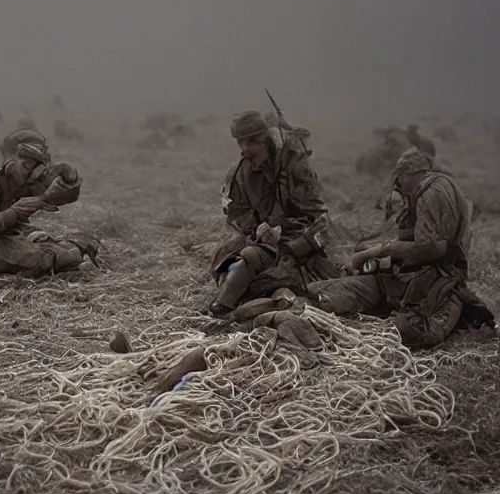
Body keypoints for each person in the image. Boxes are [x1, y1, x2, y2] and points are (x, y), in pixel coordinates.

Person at [309, 149, 493, 347]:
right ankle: (314, 298)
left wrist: (383, 250)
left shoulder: (429, 192)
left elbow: (431, 248)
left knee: (413, 332)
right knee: (326, 294)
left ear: (409, 173)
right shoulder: (443, 185)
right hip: (418, 279)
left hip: (435, 284)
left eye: (400, 179)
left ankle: (313, 300)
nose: (399, 186)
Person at [209, 110, 338, 316]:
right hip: (259, 242)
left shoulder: (293, 167)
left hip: (296, 244)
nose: (245, 150)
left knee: (283, 276)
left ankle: (263, 300)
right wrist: (256, 228)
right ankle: (235, 303)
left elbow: (317, 216)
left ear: (264, 139)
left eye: (252, 143)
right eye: (241, 143)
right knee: (229, 263)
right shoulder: (240, 175)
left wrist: (284, 232)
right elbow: (236, 211)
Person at [0, 129, 98, 276]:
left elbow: (59, 197)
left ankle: (61, 254)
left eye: (34, 167)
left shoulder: (28, 180)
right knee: (36, 258)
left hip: (16, 233)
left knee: (79, 242)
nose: (30, 172)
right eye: (26, 165)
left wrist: (70, 180)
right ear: (12, 160)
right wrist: (15, 212)